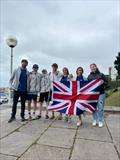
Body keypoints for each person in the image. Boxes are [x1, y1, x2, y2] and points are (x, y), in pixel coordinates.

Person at [87, 63, 108, 128]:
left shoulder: (101, 75)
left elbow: (107, 83)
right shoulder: (89, 76)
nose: (92, 68)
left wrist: (103, 82)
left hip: (101, 93)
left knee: (100, 108)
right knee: (93, 108)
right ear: (90, 68)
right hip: (92, 95)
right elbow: (87, 85)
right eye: (91, 67)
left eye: (93, 66)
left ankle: (100, 120)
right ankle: (95, 119)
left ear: (96, 67)